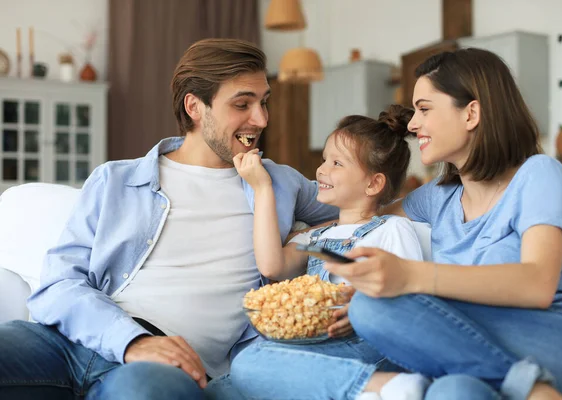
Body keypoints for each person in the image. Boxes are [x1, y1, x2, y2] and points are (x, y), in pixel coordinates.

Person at [0, 38, 338, 400]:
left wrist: (305, 239)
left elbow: (368, 205)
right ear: (194, 106)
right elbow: (58, 284)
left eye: (264, 102)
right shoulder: (115, 180)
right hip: (71, 343)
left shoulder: (278, 183)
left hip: (165, 369)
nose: (261, 119)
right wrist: (132, 341)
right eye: (243, 104)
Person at [323, 48, 562, 400]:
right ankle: (527, 386)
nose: (412, 124)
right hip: (485, 354)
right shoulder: (439, 197)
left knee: (372, 307)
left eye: (424, 109)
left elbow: (538, 283)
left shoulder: (538, 174)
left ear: (471, 113)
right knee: (453, 392)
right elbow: (363, 212)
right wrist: (301, 229)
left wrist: (409, 278)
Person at [230, 105, 432, 400]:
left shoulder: (391, 230)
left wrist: (366, 309)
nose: (322, 169)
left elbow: (412, 297)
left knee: (248, 364)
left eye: (337, 163)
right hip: (317, 343)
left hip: (367, 344)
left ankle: (383, 385)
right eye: (325, 159)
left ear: (374, 183)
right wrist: (262, 189)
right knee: (222, 386)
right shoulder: (316, 238)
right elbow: (272, 266)